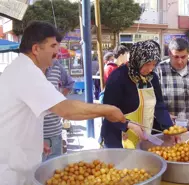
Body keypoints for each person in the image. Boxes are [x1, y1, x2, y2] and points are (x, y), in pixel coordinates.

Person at [0, 21, 143, 185]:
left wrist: (32, 139)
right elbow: (65, 109)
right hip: (10, 172)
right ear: (36, 49)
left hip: (17, 160)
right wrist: (108, 110)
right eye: (53, 46)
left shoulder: (20, 68)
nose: (57, 52)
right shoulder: (26, 72)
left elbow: (15, 114)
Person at [101, 40, 175, 149]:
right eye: (147, 64)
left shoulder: (152, 78)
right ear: (137, 59)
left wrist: (170, 129)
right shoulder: (118, 77)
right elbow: (107, 110)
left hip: (144, 135)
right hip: (118, 136)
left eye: (154, 64)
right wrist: (127, 125)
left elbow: (159, 105)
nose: (150, 68)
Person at [155, 38, 189, 124]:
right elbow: (153, 99)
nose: (180, 61)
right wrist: (164, 115)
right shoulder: (159, 69)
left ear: (188, 54)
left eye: (183, 57)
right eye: (176, 57)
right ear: (169, 53)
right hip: (166, 125)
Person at [43, 59, 75, 161]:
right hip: (35, 135)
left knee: (54, 169)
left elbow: (69, 83)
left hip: (54, 130)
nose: (55, 52)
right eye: (52, 46)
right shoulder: (30, 69)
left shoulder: (56, 66)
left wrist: (59, 100)